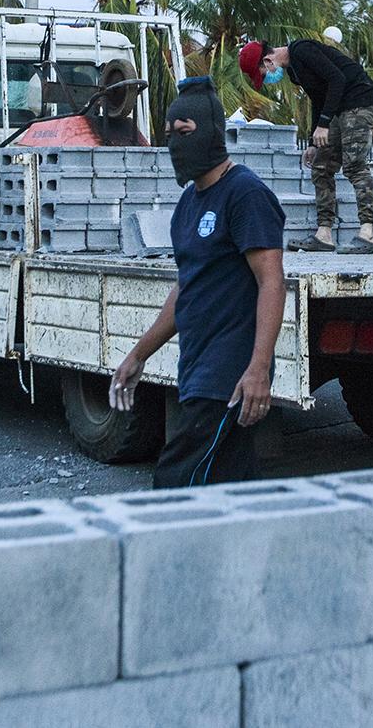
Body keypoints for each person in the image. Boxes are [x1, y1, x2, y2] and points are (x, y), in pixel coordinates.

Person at [110, 76, 288, 486]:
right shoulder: (188, 204)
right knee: (230, 485)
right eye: (170, 134)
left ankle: (161, 550)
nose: (176, 143)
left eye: (185, 131)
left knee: (176, 482)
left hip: (230, 374)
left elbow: (272, 282)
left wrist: (259, 368)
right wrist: (139, 355)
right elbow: (187, 287)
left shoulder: (245, 194)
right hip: (196, 367)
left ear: (211, 131)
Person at [237, 36, 373, 254]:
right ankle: (324, 235)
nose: (268, 79)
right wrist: (313, 141)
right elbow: (318, 99)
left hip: (359, 101)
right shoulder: (295, 71)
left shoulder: (302, 50)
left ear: (268, 61)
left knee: (354, 166)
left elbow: (337, 79)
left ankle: (367, 232)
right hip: (338, 109)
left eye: (264, 74)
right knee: (321, 168)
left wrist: (324, 124)